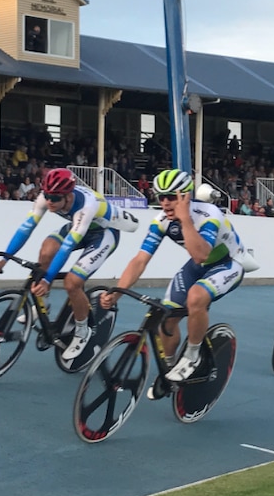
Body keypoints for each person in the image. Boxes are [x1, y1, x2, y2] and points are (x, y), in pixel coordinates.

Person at [99, 169, 254, 394]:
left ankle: (192, 356)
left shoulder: (209, 213)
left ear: (186, 196)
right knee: (165, 319)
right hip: (197, 267)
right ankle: (168, 370)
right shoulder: (160, 221)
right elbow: (140, 260)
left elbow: (201, 254)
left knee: (196, 297)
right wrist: (118, 292)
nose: (165, 203)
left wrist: (185, 220)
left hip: (229, 263)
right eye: (160, 197)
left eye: (171, 197)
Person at [0, 167, 140, 360]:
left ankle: (82, 331)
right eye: (48, 196)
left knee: (72, 282)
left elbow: (67, 247)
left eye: (55, 198)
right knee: (46, 249)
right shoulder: (46, 198)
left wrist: (47, 279)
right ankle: (43, 304)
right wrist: (4, 259)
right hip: (79, 228)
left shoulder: (87, 206)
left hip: (103, 234)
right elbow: (26, 228)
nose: (50, 202)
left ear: (68, 196)